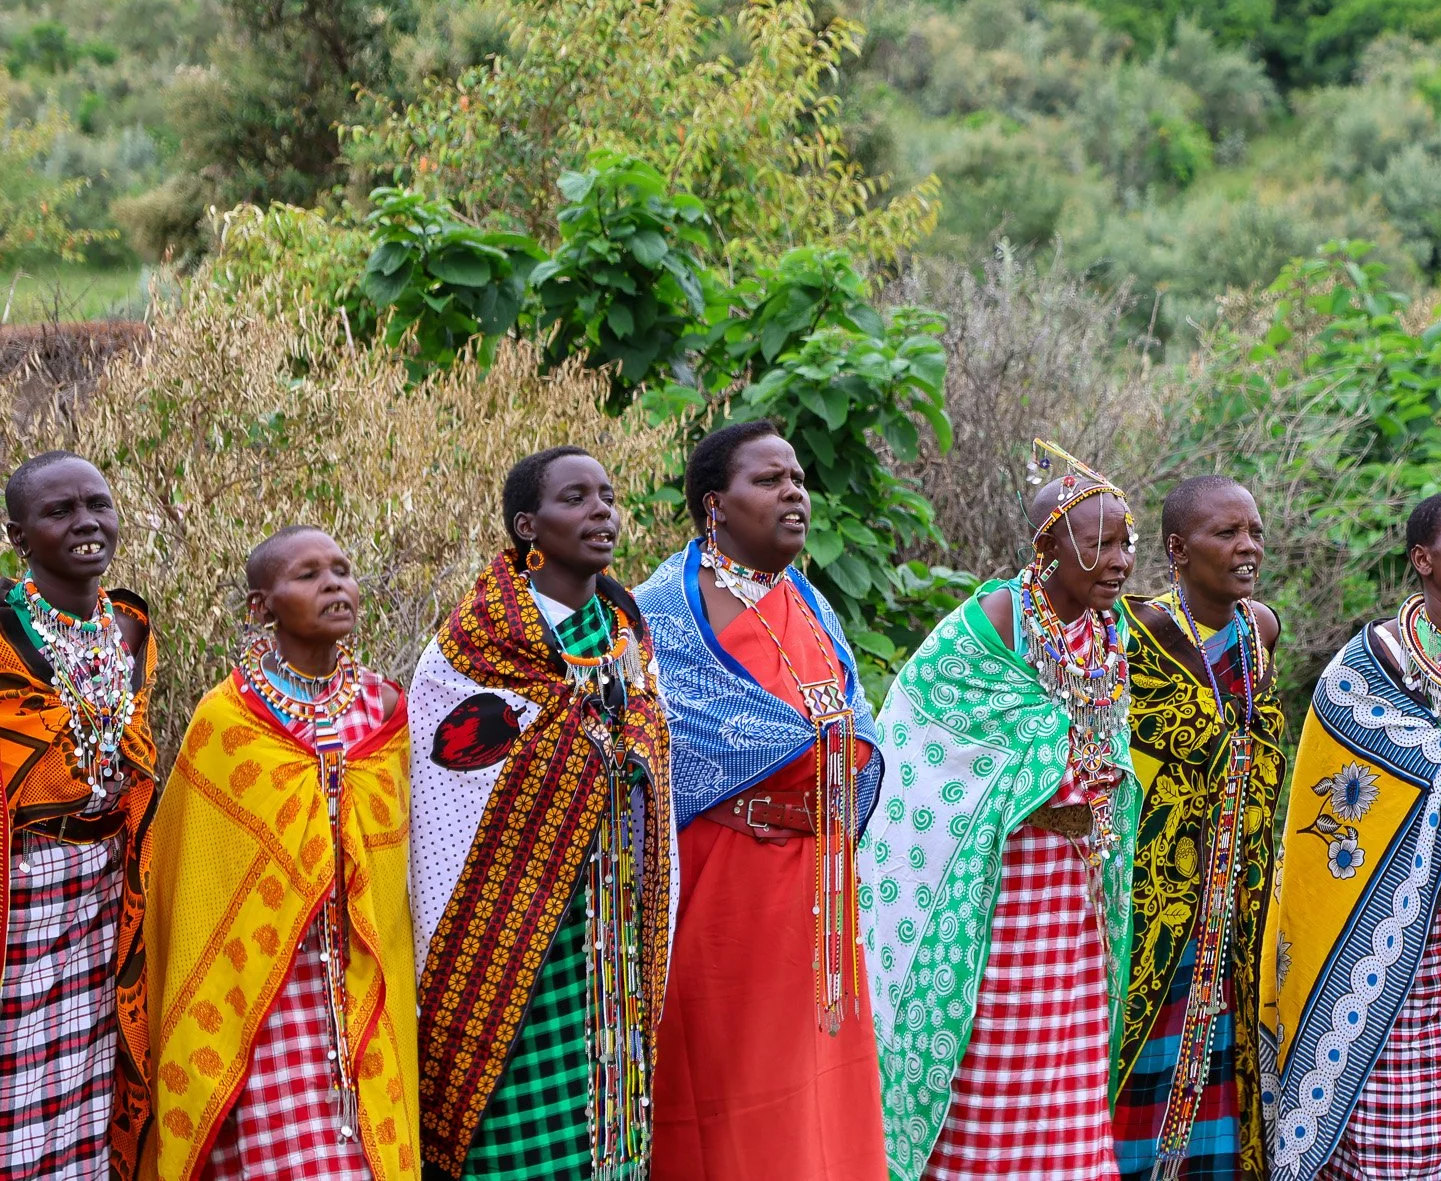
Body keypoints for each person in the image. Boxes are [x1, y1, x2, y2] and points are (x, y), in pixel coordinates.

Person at [1257, 489, 1441, 1181]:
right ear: (1423, 558)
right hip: (1391, 942)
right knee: (1396, 1140)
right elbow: (1342, 804)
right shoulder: (1366, 669)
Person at [863, 440, 1141, 1181]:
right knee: (996, 1041)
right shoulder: (991, 623)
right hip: (999, 883)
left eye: (1126, 543)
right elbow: (921, 730)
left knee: (1071, 1049)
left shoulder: (1107, 636)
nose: (1118, 560)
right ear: (1048, 546)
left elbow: (1109, 744)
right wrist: (1049, 762)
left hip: (1077, 889)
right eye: (1100, 543)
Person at [409, 446, 676, 1181]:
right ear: (528, 524)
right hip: (505, 932)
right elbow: (448, 798)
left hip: (611, 925)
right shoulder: (473, 648)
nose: (602, 512)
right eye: (576, 498)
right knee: (511, 1126)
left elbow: (647, 753)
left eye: (608, 496)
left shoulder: (626, 629)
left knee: (606, 1113)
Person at [634, 420, 886, 1180]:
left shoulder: (809, 601)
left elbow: (853, 722)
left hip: (822, 889)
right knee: (734, 1090)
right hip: (728, 887)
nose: (794, 493)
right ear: (715, 504)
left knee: (825, 1093)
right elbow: (666, 739)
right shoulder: (663, 614)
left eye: (799, 479)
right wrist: (798, 748)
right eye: (769, 480)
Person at [146, 525, 418, 1181]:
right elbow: (193, 883)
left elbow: (399, 871)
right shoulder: (226, 719)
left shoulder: (385, 710)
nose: (333, 583)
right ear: (259, 606)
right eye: (307, 574)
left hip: (363, 1001)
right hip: (262, 1009)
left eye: (343, 569)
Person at [1111, 476, 1287, 1181]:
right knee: (1145, 1047)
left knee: (1226, 1048)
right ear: (1178, 549)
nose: (1248, 547)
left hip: (1240, 891)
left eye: (1255, 532)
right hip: (1160, 895)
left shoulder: (1261, 629)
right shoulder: (1136, 632)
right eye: (1227, 533)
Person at [0, 451, 154, 1181]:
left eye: (98, 504)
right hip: (19, 895)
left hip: (105, 893)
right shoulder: (5, 635)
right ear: (19, 536)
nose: (87, 522)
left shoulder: (128, 630)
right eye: (60, 511)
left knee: (96, 1075)